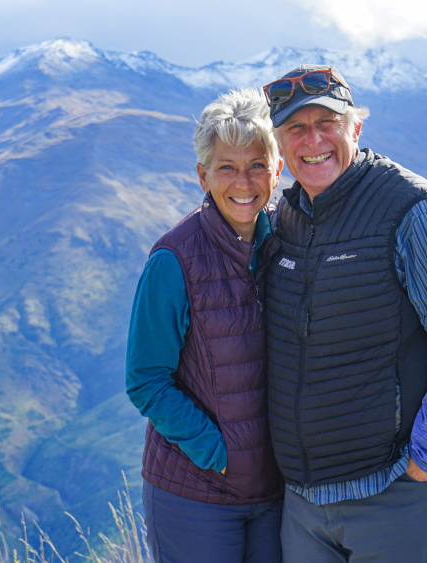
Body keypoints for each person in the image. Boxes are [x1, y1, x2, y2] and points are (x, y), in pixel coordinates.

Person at [261, 65, 427, 562]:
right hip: (303, 504)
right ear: (278, 143)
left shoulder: (414, 210)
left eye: (328, 123)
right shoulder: (284, 220)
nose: (313, 140)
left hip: (395, 494)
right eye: (296, 128)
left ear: (355, 128)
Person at [125, 88, 286, 563]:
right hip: (195, 493)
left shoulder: (292, 244)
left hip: (276, 494)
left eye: (257, 164)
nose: (244, 181)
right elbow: (145, 381)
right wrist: (220, 455)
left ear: (277, 171)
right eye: (227, 167)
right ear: (203, 175)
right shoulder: (174, 260)